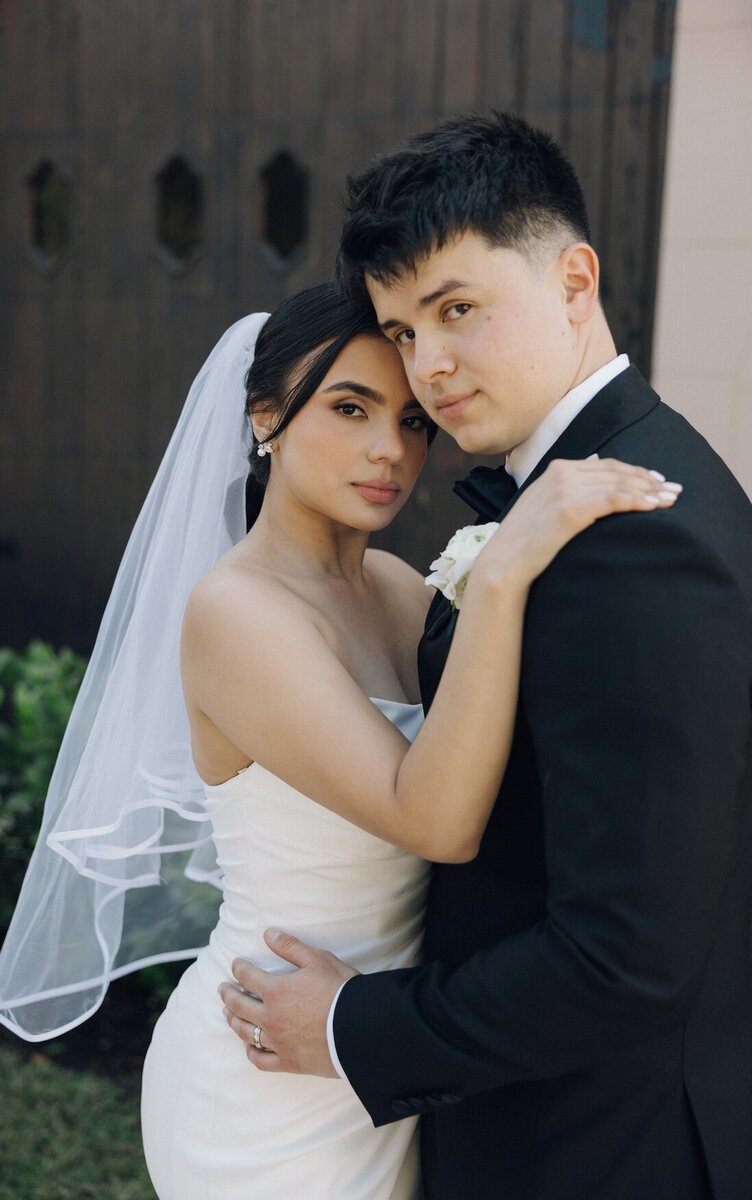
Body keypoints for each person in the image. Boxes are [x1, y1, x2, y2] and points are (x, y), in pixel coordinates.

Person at [220, 114, 752, 1200]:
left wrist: (354, 1023)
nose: (427, 367)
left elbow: (620, 959)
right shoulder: (583, 495)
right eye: (399, 331)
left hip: (601, 1155)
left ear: (573, 281)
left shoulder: (633, 539)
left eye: (456, 310)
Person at [0, 278, 674, 1197]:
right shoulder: (235, 611)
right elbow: (433, 820)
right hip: (266, 1069)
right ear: (265, 414)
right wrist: (508, 563)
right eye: (350, 409)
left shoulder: (401, 589)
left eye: (410, 422)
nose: (387, 450)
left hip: (378, 1047)